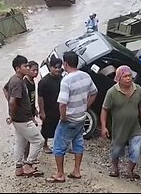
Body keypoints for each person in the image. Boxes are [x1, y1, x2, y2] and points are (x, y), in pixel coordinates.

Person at [46, 51, 98, 183]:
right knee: (78, 143)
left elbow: (62, 103)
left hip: (69, 119)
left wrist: (63, 117)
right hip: (81, 117)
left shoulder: (66, 80)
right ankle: (76, 171)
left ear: (65, 63)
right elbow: (94, 92)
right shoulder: (86, 76)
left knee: (58, 146)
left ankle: (60, 174)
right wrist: (85, 106)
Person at [100, 66, 141, 180]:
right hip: (119, 128)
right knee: (116, 150)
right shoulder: (112, 92)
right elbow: (104, 109)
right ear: (119, 78)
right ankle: (115, 168)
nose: (128, 79)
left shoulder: (138, 90)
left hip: (134, 127)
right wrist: (103, 126)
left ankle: (129, 170)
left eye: (130, 76)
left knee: (136, 150)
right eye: (125, 76)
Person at [3, 55, 44, 177]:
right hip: (22, 119)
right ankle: (28, 165)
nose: (27, 67)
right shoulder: (17, 82)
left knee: (21, 143)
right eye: (25, 66)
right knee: (38, 140)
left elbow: (5, 89)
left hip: (19, 119)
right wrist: (12, 114)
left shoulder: (17, 79)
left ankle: (19, 168)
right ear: (17, 68)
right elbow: (12, 101)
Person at [38, 57, 63, 154]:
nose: (57, 69)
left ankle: (59, 144)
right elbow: (40, 97)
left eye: (59, 67)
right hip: (48, 109)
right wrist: (42, 111)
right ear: (50, 67)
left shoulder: (62, 79)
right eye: (55, 67)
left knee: (60, 127)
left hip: (59, 108)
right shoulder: (44, 82)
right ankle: (44, 145)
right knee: (46, 128)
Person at [23, 61, 40, 161]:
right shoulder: (25, 83)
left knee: (29, 137)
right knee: (28, 138)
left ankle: (28, 156)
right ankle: (27, 158)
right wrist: (31, 116)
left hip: (31, 112)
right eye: (33, 70)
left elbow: (32, 98)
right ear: (28, 69)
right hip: (26, 115)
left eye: (37, 70)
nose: (36, 72)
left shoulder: (32, 82)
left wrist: (35, 110)